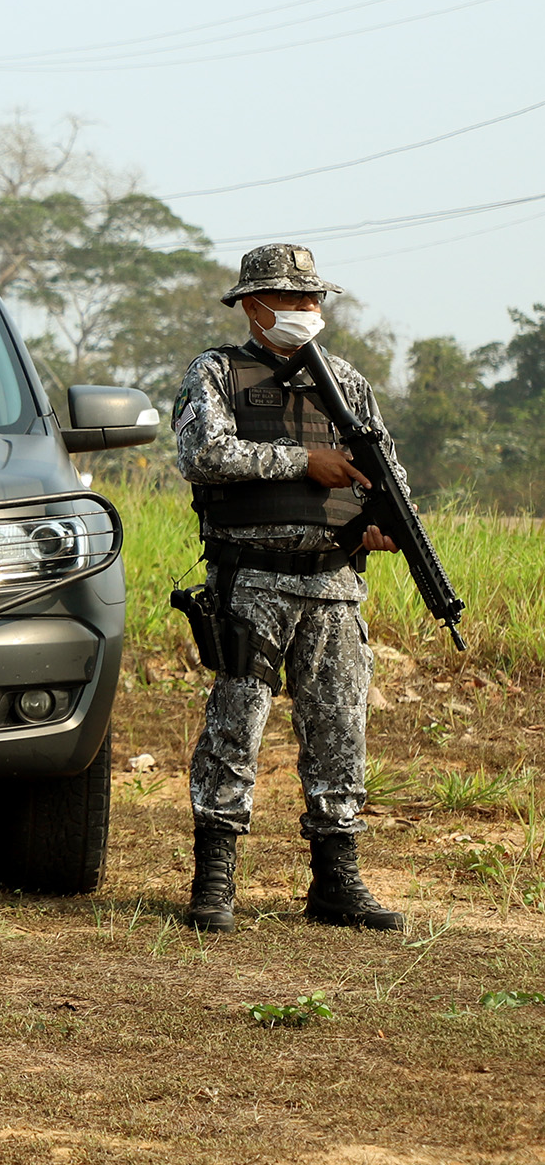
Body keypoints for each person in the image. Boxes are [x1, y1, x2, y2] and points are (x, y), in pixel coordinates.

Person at [175, 243, 407, 933]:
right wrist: (305, 461)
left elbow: (385, 475)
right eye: (293, 299)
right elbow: (202, 454)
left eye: (314, 300)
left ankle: (337, 880)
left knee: (340, 730)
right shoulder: (217, 372)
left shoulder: (348, 382)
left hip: (334, 586)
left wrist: (383, 527)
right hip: (251, 582)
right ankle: (214, 880)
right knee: (234, 729)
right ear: (253, 305)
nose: (308, 311)